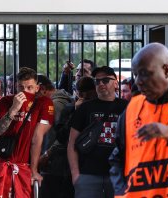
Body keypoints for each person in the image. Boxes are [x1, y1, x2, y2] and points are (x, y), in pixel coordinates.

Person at [109, 43, 168, 197]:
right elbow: (117, 158)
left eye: (145, 73)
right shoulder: (132, 108)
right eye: (135, 74)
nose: (138, 81)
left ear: (166, 70)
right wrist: (120, 192)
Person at [0, 67, 54, 197]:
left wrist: (33, 170)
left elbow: (37, 138)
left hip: (24, 167)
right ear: (16, 86)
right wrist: (13, 109)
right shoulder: (6, 101)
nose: (25, 91)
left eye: (30, 88)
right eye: (21, 88)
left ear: (37, 88)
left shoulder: (44, 103)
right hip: (2, 164)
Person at [67, 66, 128, 198]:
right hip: (88, 175)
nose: (101, 83)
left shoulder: (127, 107)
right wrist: (75, 174)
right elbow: (72, 143)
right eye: (97, 81)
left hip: (119, 174)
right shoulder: (85, 108)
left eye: (105, 80)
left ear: (116, 83)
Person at [39, 76, 97, 198]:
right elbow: (62, 136)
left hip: (92, 162)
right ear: (76, 93)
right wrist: (76, 113)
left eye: (88, 95)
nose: (84, 98)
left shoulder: (98, 109)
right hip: (68, 164)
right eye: (81, 94)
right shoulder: (70, 108)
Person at [37, 74, 73, 198]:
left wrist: (46, 154)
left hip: (54, 164)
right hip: (57, 163)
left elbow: (57, 136)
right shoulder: (63, 100)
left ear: (42, 89)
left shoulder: (55, 105)